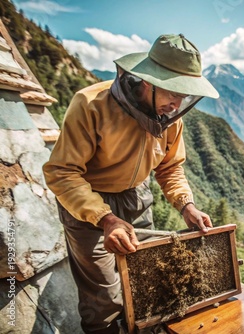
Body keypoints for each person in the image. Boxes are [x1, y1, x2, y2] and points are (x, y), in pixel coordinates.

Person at [43, 33, 219, 333]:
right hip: (88, 206)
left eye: (185, 95)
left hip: (137, 198)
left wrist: (186, 205)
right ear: (147, 82)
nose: (177, 103)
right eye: (173, 92)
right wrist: (105, 218)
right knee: (104, 299)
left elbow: (170, 167)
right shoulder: (90, 105)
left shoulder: (171, 117)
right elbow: (63, 172)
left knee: (147, 282)